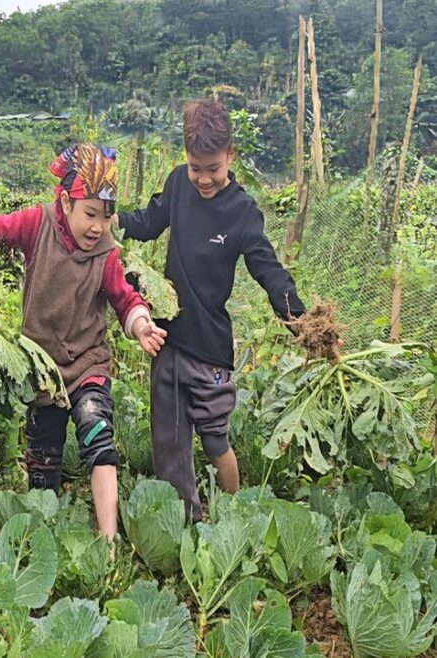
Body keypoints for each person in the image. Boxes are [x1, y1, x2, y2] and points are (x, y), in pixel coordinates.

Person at [0, 144, 167, 540]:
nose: (97, 227)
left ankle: (108, 543)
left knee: (98, 435)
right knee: (42, 463)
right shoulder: (38, 225)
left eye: (105, 218)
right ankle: (42, 540)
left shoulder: (106, 254)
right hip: (41, 370)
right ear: (65, 203)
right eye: (89, 214)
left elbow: (125, 299)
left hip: (87, 366)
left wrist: (142, 327)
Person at [116, 99, 306, 520]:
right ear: (185, 156)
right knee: (169, 441)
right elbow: (149, 221)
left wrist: (302, 322)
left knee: (215, 439)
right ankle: (186, 518)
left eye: (213, 169)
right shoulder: (178, 185)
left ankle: (233, 515)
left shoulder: (241, 211)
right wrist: (111, 222)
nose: (203, 178)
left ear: (230, 157)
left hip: (210, 350)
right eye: (195, 167)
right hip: (166, 340)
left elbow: (268, 271)